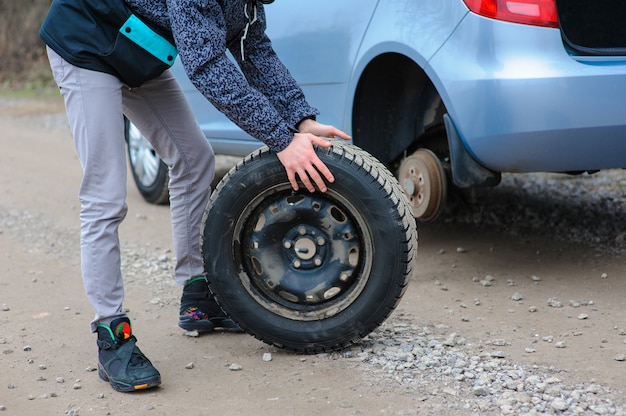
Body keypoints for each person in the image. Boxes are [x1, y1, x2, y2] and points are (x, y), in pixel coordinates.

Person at [39, 0, 351, 393]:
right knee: (105, 196)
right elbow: (207, 66)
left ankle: (197, 293)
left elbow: (253, 49)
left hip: (138, 53)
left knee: (194, 159)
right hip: (86, 42)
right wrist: (281, 140)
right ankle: (110, 333)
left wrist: (299, 119)